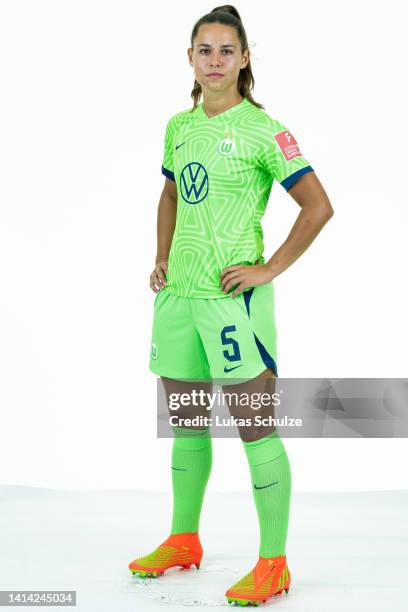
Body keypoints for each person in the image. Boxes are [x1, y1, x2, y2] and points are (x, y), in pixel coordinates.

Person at [129, 4, 333, 606]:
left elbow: (318, 206)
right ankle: (183, 539)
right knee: (187, 424)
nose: (214, 61)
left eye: (226, 50)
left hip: (232, 303)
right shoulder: (178, 126)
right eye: (204, 50)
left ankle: (274, 563)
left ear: (244, 59)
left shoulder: (264, 130)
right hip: (179, 298)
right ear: (190, 59)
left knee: (255, 427)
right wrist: (162, 256)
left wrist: (268, 269)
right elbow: (169, 194)